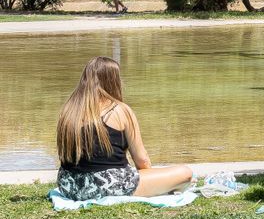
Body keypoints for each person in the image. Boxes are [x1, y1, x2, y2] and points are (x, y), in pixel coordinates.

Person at [55, 56, 193, 201]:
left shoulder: (68, 111)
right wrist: (153, 182)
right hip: (108, 185)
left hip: (70, 186)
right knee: (185, 173)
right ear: (113, 80)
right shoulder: (120, 110)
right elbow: (142, 160)